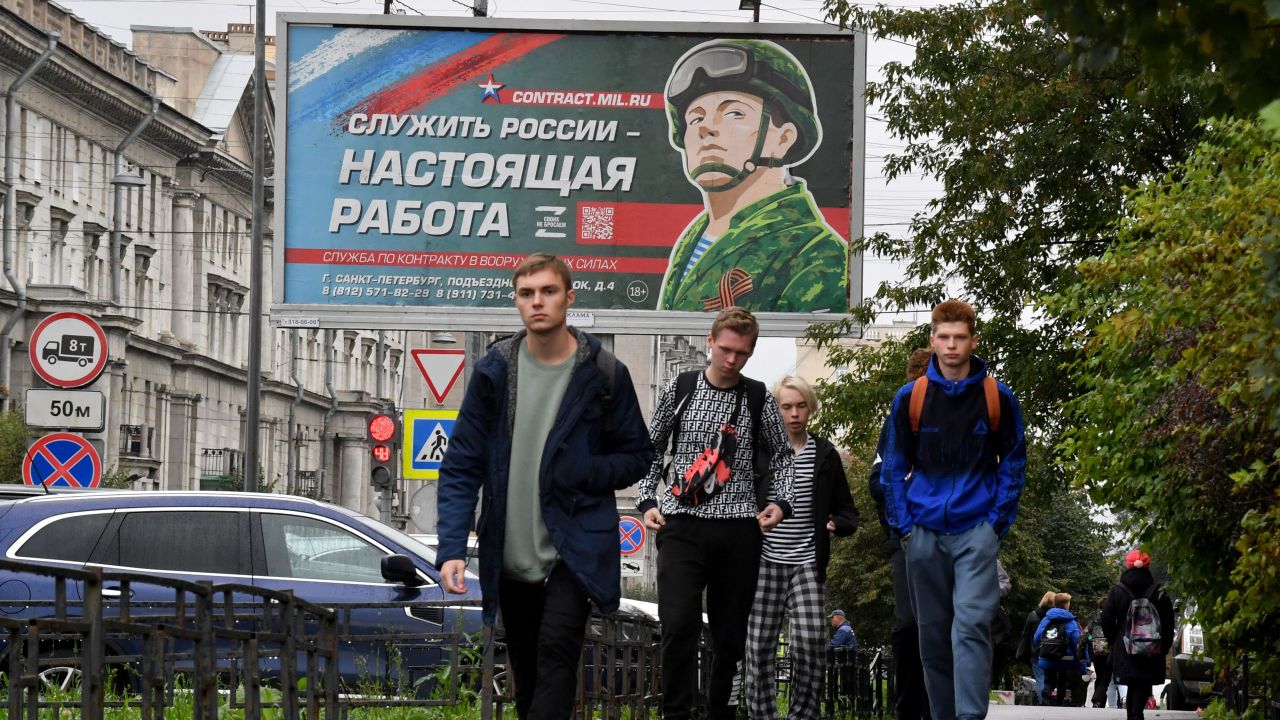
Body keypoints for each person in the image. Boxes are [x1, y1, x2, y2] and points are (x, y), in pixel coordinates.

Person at [435, 252, 655, 720]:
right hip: (510, 554)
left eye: (548, 292)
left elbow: (638, 456)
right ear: (516, 301)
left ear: (569, 298)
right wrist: (452, 546)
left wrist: (585, 471)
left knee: (557, 656)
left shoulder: (604, 374)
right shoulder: (493, 371)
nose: (538, 302)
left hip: (572, 550)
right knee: (529, 676)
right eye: (527, 293)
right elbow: (461, 464)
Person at [637, 306, 795, 720]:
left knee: (730, 635)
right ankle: (676, 712)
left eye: (742, 353)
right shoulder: (680, 387)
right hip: (682, 524)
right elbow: (650, 449)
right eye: (726, 349)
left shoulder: (758, 396)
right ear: (710, 341)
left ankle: (718, 710)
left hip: (739, 528)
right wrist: (647, 501)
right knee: (677, 624)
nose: (732, 359)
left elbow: (783, 457)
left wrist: (778, 501)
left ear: (751, 352)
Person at [880, 299, 1027, 720]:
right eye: (943, 338)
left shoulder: (997, 397)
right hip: (923, 532)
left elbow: (1014, 462)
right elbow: (893, 466)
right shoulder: (911, 397)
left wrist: (995, 525)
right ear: (932, 339)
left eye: (959, 338)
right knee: (931, 636)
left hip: (975, 530)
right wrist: (905, 526)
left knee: (971, 626)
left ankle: (968, 717)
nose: (950, 346)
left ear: (973, 340)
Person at [657, 38, 849, 313]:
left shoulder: (816, 256)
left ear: (784, 139)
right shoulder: (692, 239)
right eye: (695, 118)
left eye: (734, 113)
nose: (706, 128)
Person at [743, 374, 859, 720]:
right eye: (786, 407)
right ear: (776, 411)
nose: (794, 413)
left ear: (810, 408)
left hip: (807, 562)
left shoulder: (824, 454)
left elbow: (848, 510)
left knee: (809, 643)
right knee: (759, 648)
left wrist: (836, 523)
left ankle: (802, 715)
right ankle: (763, 715)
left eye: (801, 406)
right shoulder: (759, 451)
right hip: (764, 561)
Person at [869, 347, 933, 720]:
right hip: (907, 536)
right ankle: (906, 709)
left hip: (952, 534)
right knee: (909, 624)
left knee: (946, 624)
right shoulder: (896, 420)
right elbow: (877, 480)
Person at [1100, 551, 1175, 720]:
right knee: (1142, 681)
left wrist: (1115, 640)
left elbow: (1106, 619)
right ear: (1148, 566)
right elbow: (1169, 621)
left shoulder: (1117, 590)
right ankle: (1136, 714)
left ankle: (1134, 715)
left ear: (1127, 565)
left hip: (1125, 645)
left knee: (1132, 681)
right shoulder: (1159, 590)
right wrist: (1164, 646)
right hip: (1152, 647)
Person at [1033, 593, 1090, 706]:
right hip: (1066, 658)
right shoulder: (1071, 621)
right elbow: (1078, 643)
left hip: (1048, 656)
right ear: (1066, 605)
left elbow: (1036, 637)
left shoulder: (1046, 619)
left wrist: (1042, 650)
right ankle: (1059, 701)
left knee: (1049, 677)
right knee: (1063, 678)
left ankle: (1047, 692)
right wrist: (1084, 661)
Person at [1017, 591, 1057, 704]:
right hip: (1053, 652)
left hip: (1036, 652)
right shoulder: (1056, 617)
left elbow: (1025, 634)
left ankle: (1042, 702)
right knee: (1050, 679)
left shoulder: (1033, 615)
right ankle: (1049, 699)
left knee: (1040, 679)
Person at [1088, 596, 1115, 708]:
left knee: (1099, 677)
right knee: (1106, 677)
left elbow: (1088, 633)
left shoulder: (1094, 618)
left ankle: (1099, 703)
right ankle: (1098, 700)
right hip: (1109, 649)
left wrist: (1091, 642)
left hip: (1096, 650)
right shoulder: (1112, 616)